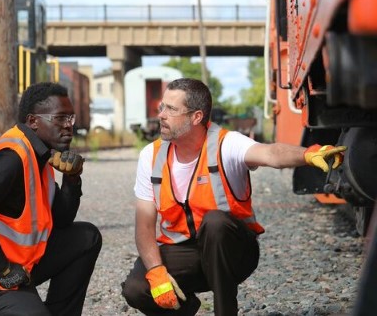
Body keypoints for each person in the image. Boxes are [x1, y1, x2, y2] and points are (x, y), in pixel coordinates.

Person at [120, 78, 346, 316]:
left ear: (196, 117)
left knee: (215, 222)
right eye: (162, 107)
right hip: (186, 253)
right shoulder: (151, 155)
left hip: (234, 252)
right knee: (137, 289)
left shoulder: (226, 144)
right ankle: (186, 308)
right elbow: (144, 226)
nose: (161, 115)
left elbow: (271, 153)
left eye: (171, 109)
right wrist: (156, 272)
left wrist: (308, 154)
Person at [0, 82, 102, 315]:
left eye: (70, 118)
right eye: (60, 118)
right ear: (33, 121)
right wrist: (3, 269)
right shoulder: (12, 157)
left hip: (17, 265)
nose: (68, 126)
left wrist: (72, 179)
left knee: (86, 238)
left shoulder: (41, 157)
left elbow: (62, 220)